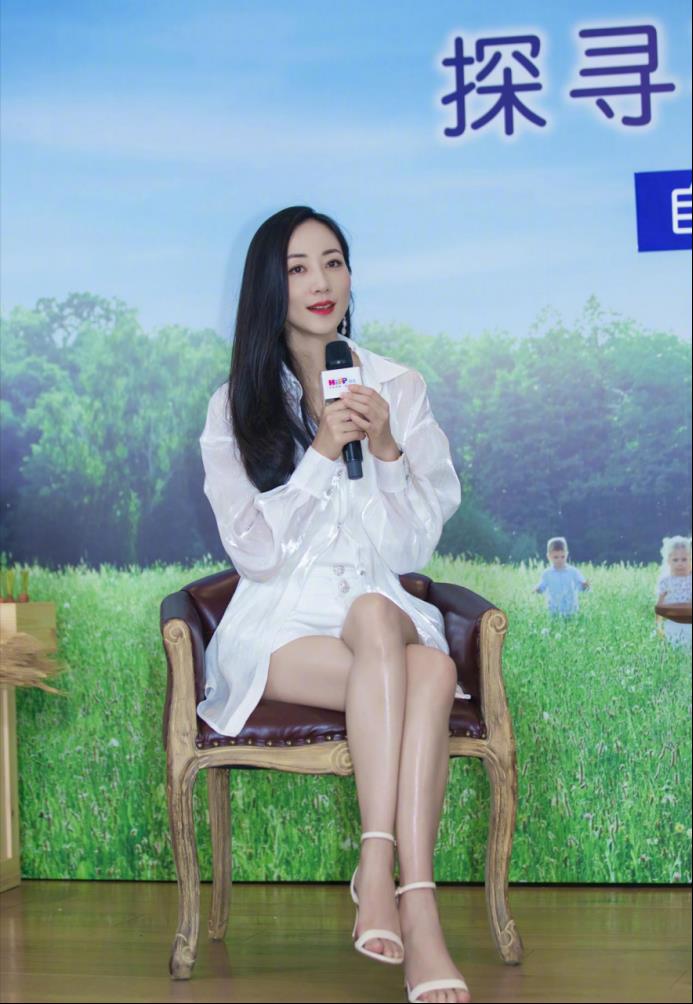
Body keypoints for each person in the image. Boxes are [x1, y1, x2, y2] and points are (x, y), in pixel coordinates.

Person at [196, 206, 471, 1003]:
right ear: (269, 287)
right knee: (422, 669)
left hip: (372, 601)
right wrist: (320, 451)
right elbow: (256, 555)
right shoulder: (236, 404)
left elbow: (408, 552)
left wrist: (384, 451)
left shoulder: (399, 387)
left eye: (333, 262)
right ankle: (407, 899)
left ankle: (390, 882)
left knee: (386, 622)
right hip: (281, 624)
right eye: (297, 268)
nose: (320, 282)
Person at [533, 536, 589, 617]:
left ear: (567, 554)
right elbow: (541, 587)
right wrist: (537, 590)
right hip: (553, 611)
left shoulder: (573, 572)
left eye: (563, 557)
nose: (560, 560)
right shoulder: (547, 574)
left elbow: (580, 586)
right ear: (549, 556)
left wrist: (585, 586)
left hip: (571, 611)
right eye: (556, 557)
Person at [655, 535, 692, 648]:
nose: (680, 563)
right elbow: (659, 606)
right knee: (673, 645)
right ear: (668, 560)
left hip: (689, 621)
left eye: (684, 559)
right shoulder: (666, 581)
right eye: (675, 560)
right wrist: (658, 625)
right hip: (672, 623)